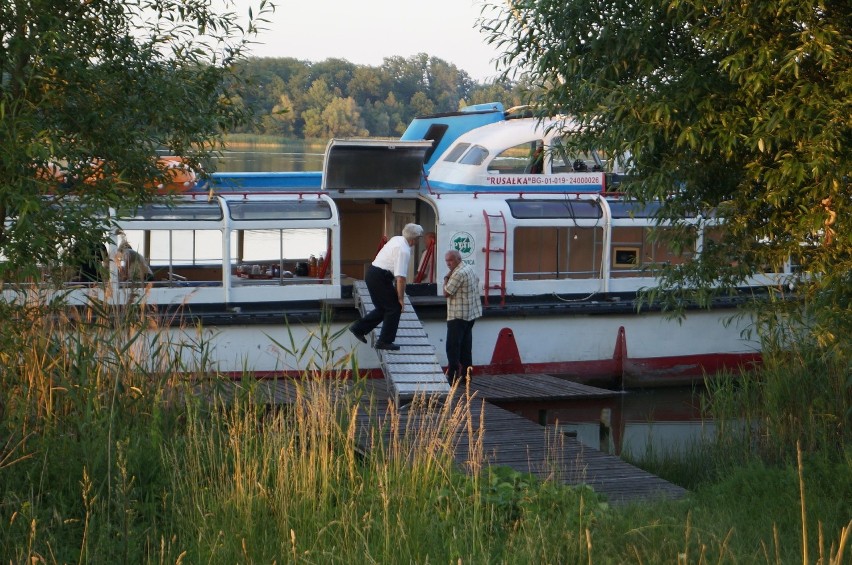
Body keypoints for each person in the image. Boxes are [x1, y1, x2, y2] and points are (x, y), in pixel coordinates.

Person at [349, 223, 423, 351]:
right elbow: (400, 278)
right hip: (380, 277)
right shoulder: (404, 250)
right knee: (394, 308)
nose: (417, 242)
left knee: (384, 308)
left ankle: (359, 328)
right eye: (418, 239)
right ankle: (384, 341)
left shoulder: (397, 239)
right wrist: (401, 299)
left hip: (373, 273)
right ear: (414, 239)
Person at [443, 249, 482, 384]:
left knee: (452, 346)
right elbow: (476, 280)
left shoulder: (458, 273)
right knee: (466, 347)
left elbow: (447, 292)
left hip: (457, 315)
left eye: (450, 260)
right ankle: (467, 376)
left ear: (458, 259)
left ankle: (452, 376)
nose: (448, 264)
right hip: (470, 314)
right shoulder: (468, 268)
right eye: (447, 261)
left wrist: (446, 278)